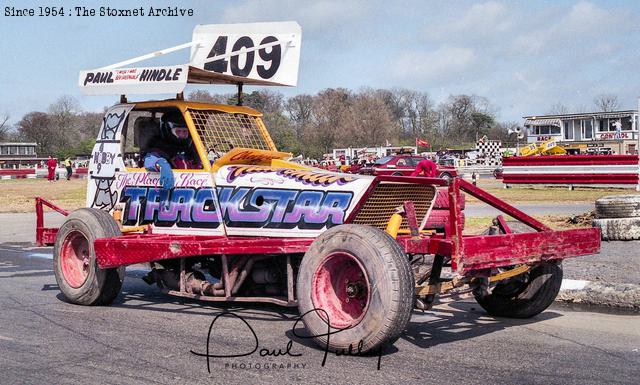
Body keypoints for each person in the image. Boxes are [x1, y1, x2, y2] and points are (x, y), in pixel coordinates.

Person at [143, 111, 199, 189]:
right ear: (168, 131)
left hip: (191, 186)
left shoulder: (191, 150)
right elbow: (149, 160)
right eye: (178, 131)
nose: (182, 135)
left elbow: (199, 163)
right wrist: (162, 164)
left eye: (185, 132)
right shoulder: (159, 148)